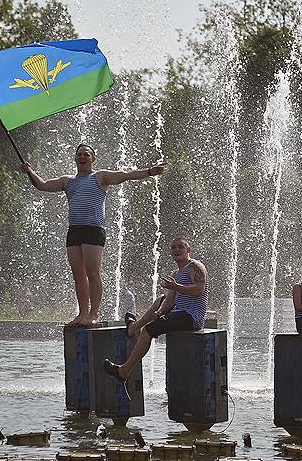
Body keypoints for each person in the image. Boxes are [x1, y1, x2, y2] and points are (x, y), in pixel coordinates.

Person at [21, 143, 167, 327]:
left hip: (93, 230)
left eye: (86, 154)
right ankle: (82, 313)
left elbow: (126, 175)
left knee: (92, 273)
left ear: (93, 159)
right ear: (75, 158)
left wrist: (150, 171)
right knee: (78, 275)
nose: (82, 157)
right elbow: (42, 185)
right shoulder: (68, 181)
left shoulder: (100, 176)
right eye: (79, 154)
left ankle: (93, 313)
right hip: (74, 231)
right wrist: (29, 171)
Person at [103, 237, 207, 384]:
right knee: (161, 300)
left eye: (181, 247)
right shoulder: (176, 273)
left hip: (191, 317)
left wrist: (177, 287)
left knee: (149, 330)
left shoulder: (195, 267)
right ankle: (133, 328)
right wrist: (160, 312)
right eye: (173, 247)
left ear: (188, 250)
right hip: (180, 313)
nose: (177, 250)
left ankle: (124, 371)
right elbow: (170, 300)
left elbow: (199, 290)